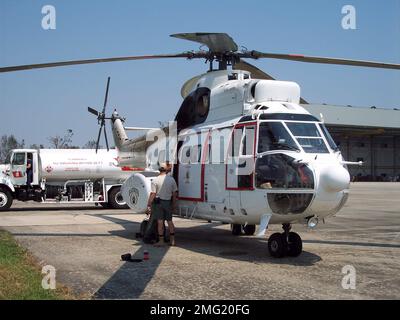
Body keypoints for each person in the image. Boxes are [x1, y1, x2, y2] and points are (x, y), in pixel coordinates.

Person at [147, 162, 178, 246]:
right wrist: (174, 204)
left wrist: (149, 204)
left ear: (159, 170)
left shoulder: (155, 180)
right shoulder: (171, 179)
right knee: (170, 221)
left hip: (158, 203)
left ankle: (161, 241)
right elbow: (174, 193)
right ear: (166, 170)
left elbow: (153, 194)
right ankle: (172, 240)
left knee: (160, 222)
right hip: (168, 202)